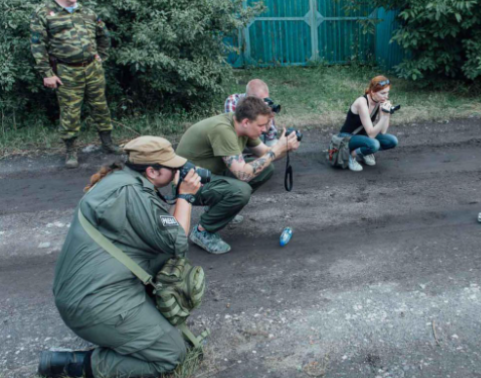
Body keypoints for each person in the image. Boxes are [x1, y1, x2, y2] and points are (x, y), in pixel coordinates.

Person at [38, 136, 201, 378]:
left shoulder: (121, 180)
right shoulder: (132, 193)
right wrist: (185, 196)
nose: (179, 171)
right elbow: (176, 242)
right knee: (171, 354)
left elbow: (157, 232)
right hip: (95, 302)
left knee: (165, 328)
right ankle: (73, 364)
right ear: (152, 171)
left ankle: (128, 333)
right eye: (173, 167)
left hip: (85, 294)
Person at [176, 96, 300, 255]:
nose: (265, 130)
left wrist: (285, 147)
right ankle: (202, 231)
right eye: (261, 125)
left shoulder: (242, 126)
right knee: (241, 190)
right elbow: (243, 174)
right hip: (187, 185)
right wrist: (276, 150)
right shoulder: (223, 130)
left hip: (209, 175)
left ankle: (218, 210)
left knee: (266, 168)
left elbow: (266, 155)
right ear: (246, 122)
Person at [30, 0, 122, 169]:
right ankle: (71, 151)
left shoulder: (87, 12)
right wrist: (47, 73)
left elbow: (104, 35)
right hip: (67, 71)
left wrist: (101, 55)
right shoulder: (44, 13)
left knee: (100, 106)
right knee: (70, 111)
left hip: (92, 68)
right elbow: (38, 45)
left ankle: (107, 143)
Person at [338, 75, 398, 172]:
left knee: (392, 141)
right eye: (383, 93)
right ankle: (351, 155)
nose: (386, 96)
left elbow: (383, 131)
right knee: (374, 144)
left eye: (387, 93)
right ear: (373, 92)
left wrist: (386, 114)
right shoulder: (362, 102)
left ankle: (364, 152)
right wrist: (383, 117)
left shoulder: (379, 101)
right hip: (347, 137)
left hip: (363, 135)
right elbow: (371, 134)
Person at [224, 79, 279, 146]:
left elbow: (271, 137)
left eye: (266, 100)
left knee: (276, 145)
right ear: (250, 98)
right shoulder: (233, 101)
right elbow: (234, 129)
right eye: (261, 101)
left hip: (257, 140)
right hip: (239, 140)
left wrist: (268, 118)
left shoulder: (266, 104)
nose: (264, 104)